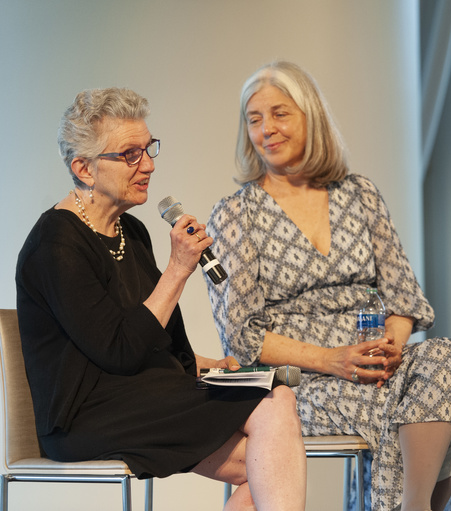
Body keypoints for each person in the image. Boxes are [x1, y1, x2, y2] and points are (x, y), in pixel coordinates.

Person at [204, 61, 451, 511]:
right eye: (254, 118)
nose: (267, 128)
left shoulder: (359, 194)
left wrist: (387, 350)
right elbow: (242, 337)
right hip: (298, 381)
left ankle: (413, 506)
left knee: (450, 359)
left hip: (374, 363)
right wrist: (335, 361)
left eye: (280, 113)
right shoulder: (235, 214)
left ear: (311, 117)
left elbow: (404, 299)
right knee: (421, 408)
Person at [15, 87, 306, 511]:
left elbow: (155, 336)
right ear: (84, 168)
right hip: (87, 416)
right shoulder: (56, 244)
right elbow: (118, 350)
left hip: (142, 395)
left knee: (269, 452)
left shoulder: (131, 232)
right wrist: (177, 270)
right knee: (272, 418)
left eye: (148, 148)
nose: (148, 164)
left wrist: (205, 364)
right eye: (130, 154)